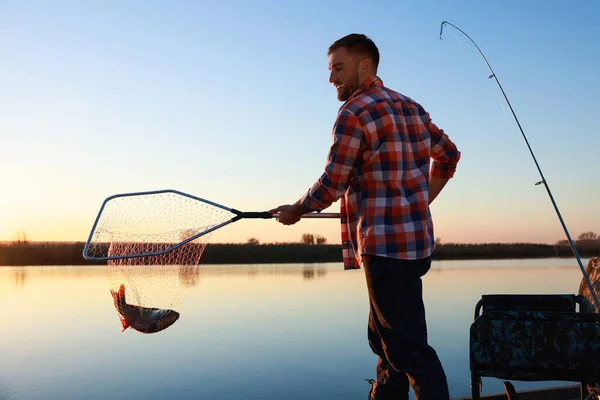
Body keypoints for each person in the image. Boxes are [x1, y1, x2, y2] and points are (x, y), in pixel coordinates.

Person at [269, 33, 461, 400]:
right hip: (416, 247)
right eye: (330, 70)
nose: (331, 79)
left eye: (338, 68)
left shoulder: (354, 112)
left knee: (408, 351)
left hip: (385, 250)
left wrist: (298, 208)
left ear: (364, 65)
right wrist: (422, 200)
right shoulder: (413, 109)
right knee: (385, 341)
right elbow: (449, 155)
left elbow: (333, 181)